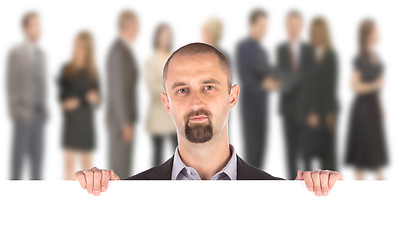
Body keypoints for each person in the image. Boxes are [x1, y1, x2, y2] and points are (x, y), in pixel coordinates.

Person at [72, 43, 342, 197]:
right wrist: (87, 200)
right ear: (167, 103)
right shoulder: (126, 196)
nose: (196, 102)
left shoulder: (282, 197)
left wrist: (327, 203)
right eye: (182, 90)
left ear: (232, 96)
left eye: (209, 87)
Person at [236, 9, 281, 170]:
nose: (263, 30)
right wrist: (264, 85)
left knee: (261, 156)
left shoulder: (263, 51)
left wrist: (277, 81)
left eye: (265, 26)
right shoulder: (244, 48)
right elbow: (245, 78)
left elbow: (269, 73)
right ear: (251, 25)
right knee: (252, 155)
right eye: (261, 26)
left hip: (263, 110)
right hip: (250, 111)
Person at [7, 12, 48, 180]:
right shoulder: (16, 53)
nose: (38, 28)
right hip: (23, 115)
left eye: (39, 24)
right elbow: (11, 86)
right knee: (17, 165)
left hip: (39, 115)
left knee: (37, 165)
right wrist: (17, 112)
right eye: (34, 25)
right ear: (25, 28)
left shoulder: (42, 54)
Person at [345, 19, 388, 180]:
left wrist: (381, 107)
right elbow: (355, 86)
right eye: (375, 31)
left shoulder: (375, 55)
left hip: (373, 107)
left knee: (375, 155)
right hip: (363, 109)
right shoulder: (361, 57)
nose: (378, 34)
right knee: (362, 158)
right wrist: (376, 83)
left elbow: (377, 89)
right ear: (368, 34)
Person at [276, 10, 316, 179]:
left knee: (307, 152)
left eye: (296, 25)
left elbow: (313, 82)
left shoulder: (308, 50)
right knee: (290, 152)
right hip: (288, 108)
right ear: (287, 27)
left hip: (306, 109)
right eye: (290, 25)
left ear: (300, 27)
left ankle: (310, 184)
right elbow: (281, 77)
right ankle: (292, 184)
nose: (293, 28)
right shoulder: (281, 50)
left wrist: (313, 110)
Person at [58, 31, 101, 180]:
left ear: (88, 50)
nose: (78, 49)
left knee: (87, 167)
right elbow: (62, 100)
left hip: (86, 121)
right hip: (71, 121)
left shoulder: (92, 72)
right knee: (68, 164)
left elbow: (98, 100)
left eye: (82, 47)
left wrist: (95, 99)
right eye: (77, 45)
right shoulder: (67, 70)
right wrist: (69, 103)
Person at [301, 17, 339, 171]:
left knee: (329, 155)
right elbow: (306, 86)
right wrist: (310, 112)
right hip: (310, 111)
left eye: (320, 33)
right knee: (307, 155)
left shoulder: (331, 55)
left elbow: (332, 86)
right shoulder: (306, 55)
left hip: (328, 110)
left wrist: (331, 113)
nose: (317, 36)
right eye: (314, 33)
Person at [106, 10, 139, 179]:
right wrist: (125, 122)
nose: (138, 29)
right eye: (136, 26)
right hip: (120, 123)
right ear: (127, 26)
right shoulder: (119, 52)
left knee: (125, 168)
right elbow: (117, 90)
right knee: (119, 170)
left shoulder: (125, 50)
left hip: (124, 120)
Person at [145, 23, 177, 167]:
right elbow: (152, 86)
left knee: (178, 151)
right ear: (157, 37)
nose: (166, 38)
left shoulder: (175, 57)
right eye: (164, 35)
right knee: (157, 154)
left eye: (168, 35)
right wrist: (173, 88)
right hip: (158, 113)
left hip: (174, 113)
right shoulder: (151, 60)